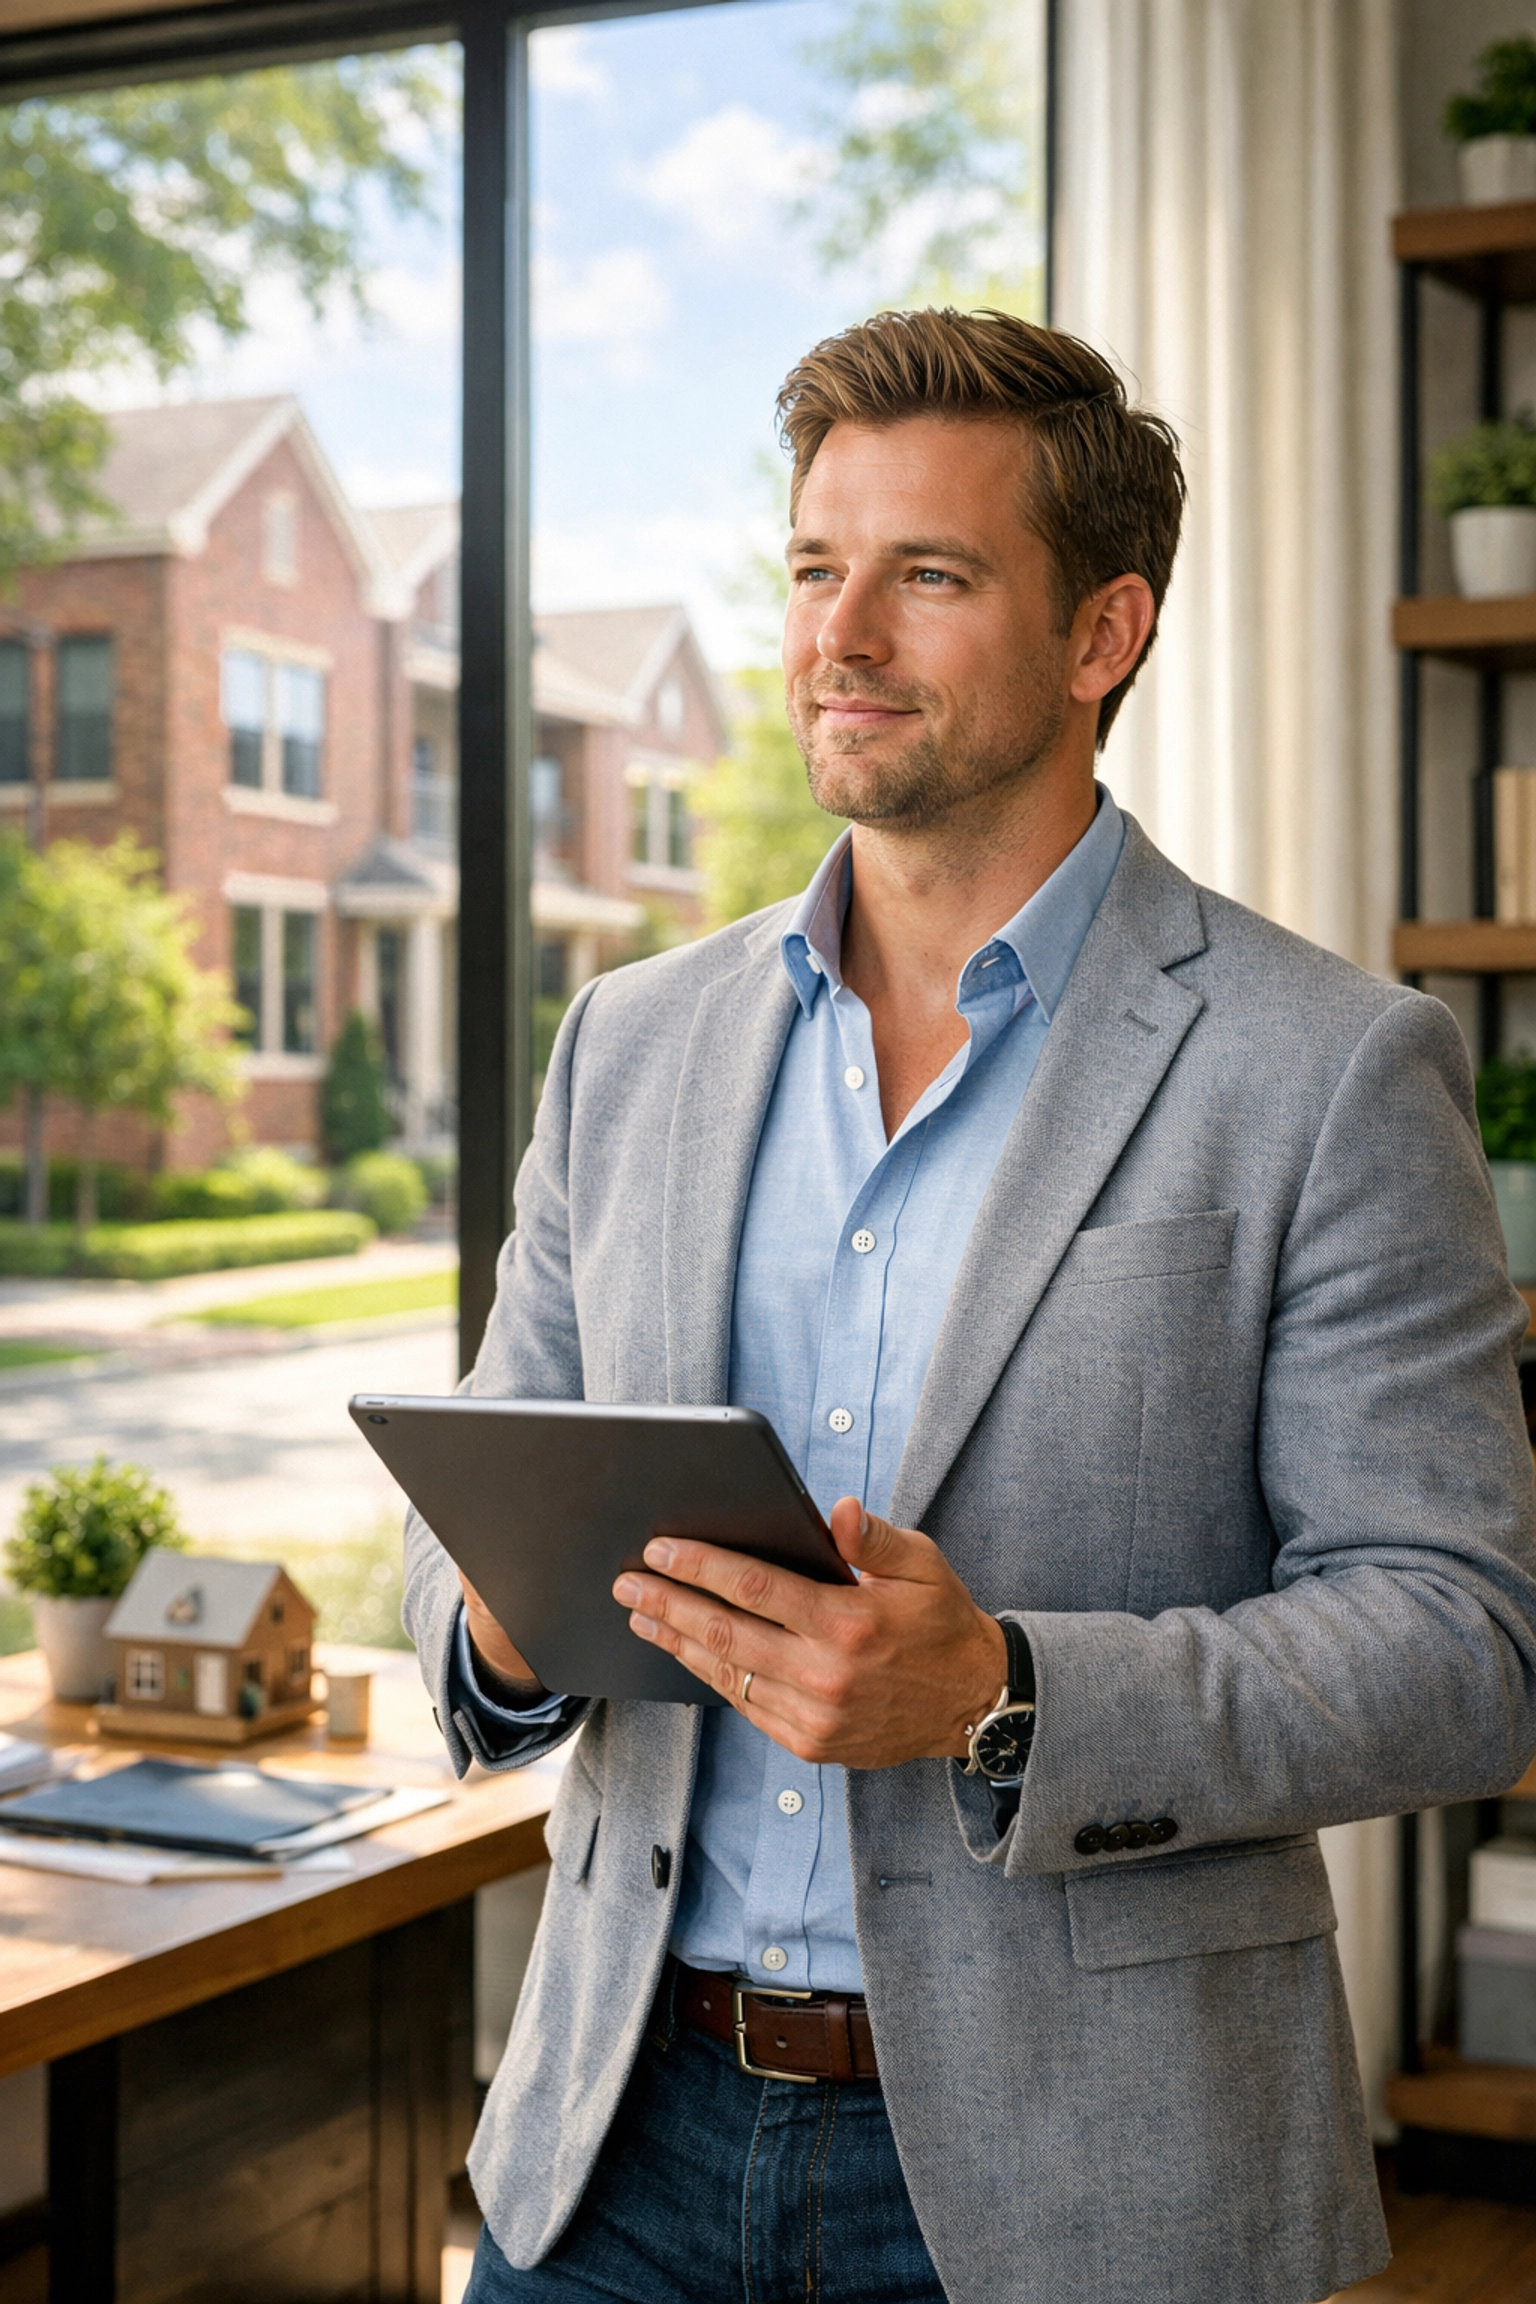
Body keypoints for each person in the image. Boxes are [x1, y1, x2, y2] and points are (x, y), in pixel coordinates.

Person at [405, 307, 1536, 2304]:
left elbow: (1459, 1644)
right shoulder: (630, 1041)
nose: (840, 637)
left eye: (926, 577)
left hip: (1090, 2177)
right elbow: (479, 1490)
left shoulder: (1330, 1065)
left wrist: (1004, 1691)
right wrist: (497, 1602)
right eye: (816, 571)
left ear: (1103, 636)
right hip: (613, 2144)